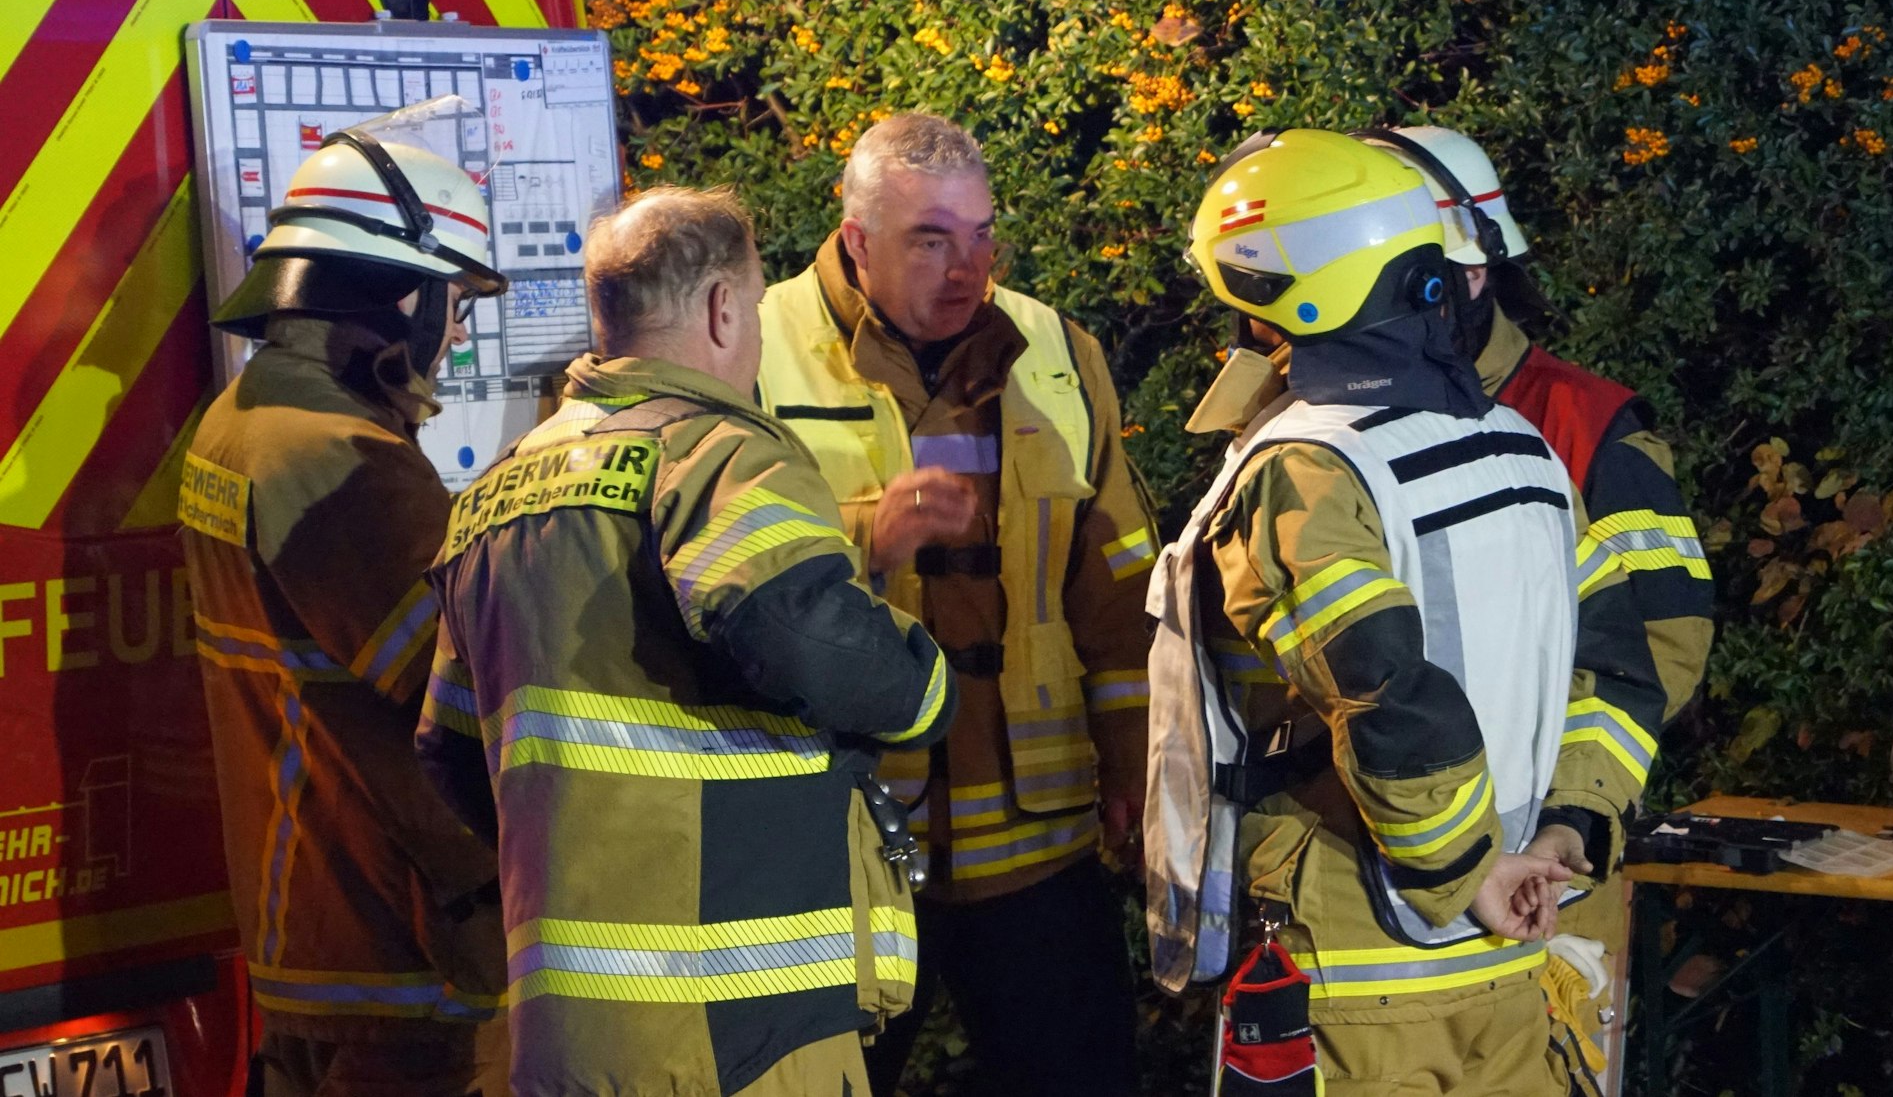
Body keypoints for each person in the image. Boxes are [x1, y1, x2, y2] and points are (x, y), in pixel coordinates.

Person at [1148, 129, 1667, 1094]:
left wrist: (1461, 875)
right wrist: (1566, 832)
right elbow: (1616, 670)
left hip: (1357, 970)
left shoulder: (1306, 467)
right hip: (1514, 956)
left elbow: (1386, 691)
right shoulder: (1523, 449)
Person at [414, 185, 956, 1097]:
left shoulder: (494, 498)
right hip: (741, 1025)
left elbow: (450, 749)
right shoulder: (719, 452)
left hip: (565, 1039)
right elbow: (797, 632)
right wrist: (923, 680)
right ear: (720, 307)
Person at [756, 112, 1156, 1096]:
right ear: (855, 239)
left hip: (1038, 846)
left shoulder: (1056, 349)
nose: (966, 266)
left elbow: (1118, 588)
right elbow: (712, 582)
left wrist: (1142, 769)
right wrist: (862, 540)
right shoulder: (752, 352)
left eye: (980, 235)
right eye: (929, 239)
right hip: (837, 848)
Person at [1361, 125, 1714, 1082]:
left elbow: (1663, 652)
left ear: (1471, 276)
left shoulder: (1583, 424)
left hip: (1548, 882)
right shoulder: (1324, 425)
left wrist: (1560, 823)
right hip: (1377, 901)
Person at [178, 102, 511, 1096]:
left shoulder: (246, 417)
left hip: (315, 918)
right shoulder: (339, 458)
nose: (455, 331)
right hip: (394, 941)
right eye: (453, 299)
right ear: (397, 296)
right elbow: (470, 683)